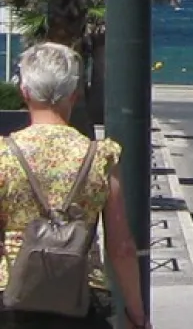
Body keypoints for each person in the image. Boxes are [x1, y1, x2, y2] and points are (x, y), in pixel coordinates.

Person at [0, 44, 147, 328]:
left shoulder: (4, 155)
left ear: (25, 92)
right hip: (81, 297)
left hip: (10, 298)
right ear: (74, 95)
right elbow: (121, 247)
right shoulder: (100, 156)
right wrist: (136, 313)